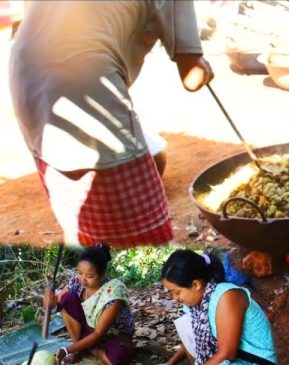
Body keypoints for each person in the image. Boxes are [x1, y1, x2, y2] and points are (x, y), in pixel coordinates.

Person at [9, 1, 214, 248]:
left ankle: (88, 265)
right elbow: (192, 77)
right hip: (83, 82)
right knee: (143, 240)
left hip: (25, 73)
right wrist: (203, 68)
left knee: (79, 211)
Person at [162, 250, 278, 365]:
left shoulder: (227, 296)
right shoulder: (198, 303)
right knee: (185, 323)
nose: (175, 298)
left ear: (196, 284)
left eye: (177, 292)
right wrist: (170, 364)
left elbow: (227, 354)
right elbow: (192, 339)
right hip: (235, 360)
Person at [44, 244, 135, 365]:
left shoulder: (113, 291)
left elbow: (98, 333)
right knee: (67, 298)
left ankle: (88, 348)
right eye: (80, 273)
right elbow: (60, 305)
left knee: (118, 359)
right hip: (88, 331)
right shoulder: (76, 282)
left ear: (103, 274)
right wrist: (51, 305)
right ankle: (82, 347)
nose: (83, 279)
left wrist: (67, 350)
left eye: (89, 276)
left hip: (112, 336)